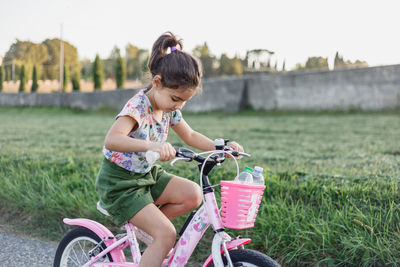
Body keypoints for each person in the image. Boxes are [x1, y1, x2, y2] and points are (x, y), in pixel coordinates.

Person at [95, 32, 243, 267]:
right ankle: (157, 235)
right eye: (175, 98)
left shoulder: (170, 109)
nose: (179, 106)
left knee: (193, 194)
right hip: (120, 184)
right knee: (167, 234)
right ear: (157, 83)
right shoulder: (138, 107)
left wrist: (221, 146)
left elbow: (191, 135)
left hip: (146, 176)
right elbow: (112, 140)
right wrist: (152, 145)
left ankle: (149, 231)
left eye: (184, 101)